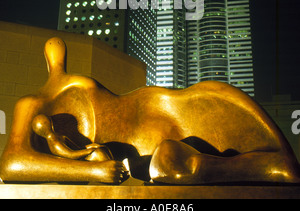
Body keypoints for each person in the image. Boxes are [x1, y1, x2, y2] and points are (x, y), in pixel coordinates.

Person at [0, 37, 299, 185]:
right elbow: (12, 164)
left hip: (157, 115)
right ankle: (212, 166)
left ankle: (260, 164)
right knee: (173, 161)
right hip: (146, 151)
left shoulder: (54, 97)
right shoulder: (32, 103)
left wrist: (93, 168)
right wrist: (92, 169)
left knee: (204, 120)